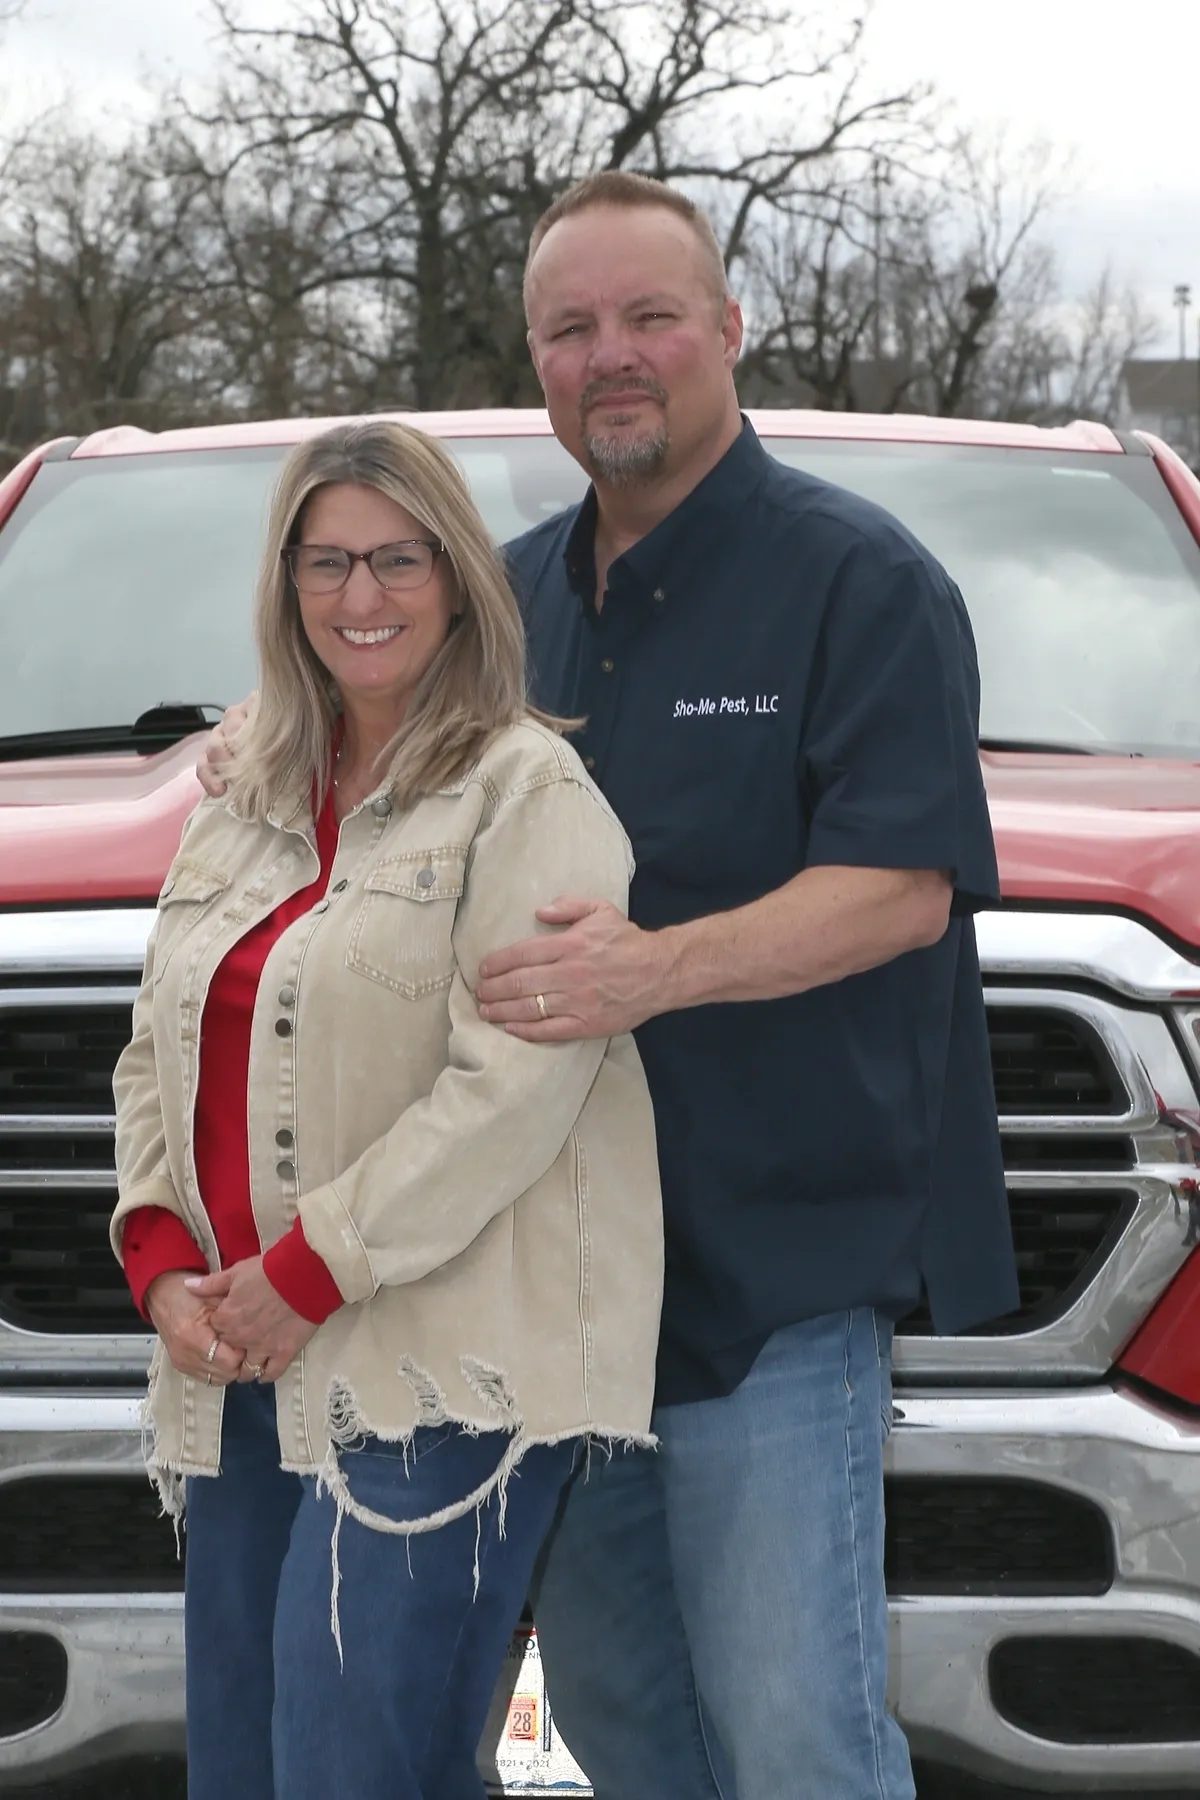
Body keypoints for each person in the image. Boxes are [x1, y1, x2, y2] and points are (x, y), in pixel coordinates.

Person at [200, 174, 1020, 1800]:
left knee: (798, 1738)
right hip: (549, 1304)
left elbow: (905, 889)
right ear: (538, 361)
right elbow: (349, 706)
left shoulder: (860, 584)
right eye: (573, 329)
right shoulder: (494, 610)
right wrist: (252, 736)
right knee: (625, 1729)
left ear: (729, 328)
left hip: (765, 1285)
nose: (612, 355)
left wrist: (652, 971)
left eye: (650, 316)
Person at [111, 417, 663, 1800]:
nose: (361, 598)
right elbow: (152, 1048)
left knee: (352, 1765)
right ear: (285, 584)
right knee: (244, 1764)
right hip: (237, 1358)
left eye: (397, 560)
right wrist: (160, 1257)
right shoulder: (240, 797)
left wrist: (312, 1266)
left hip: (434, 1373)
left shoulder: (527, 792)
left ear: (459, 577)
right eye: (328, 562)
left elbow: (514, 1089)